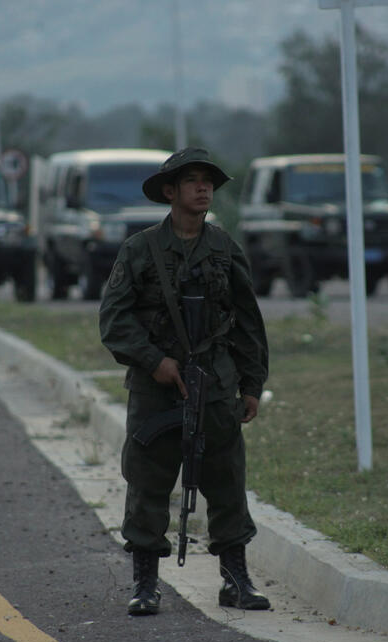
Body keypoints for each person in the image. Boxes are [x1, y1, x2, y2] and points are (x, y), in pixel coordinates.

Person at [99, 147, 271, 616]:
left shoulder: (224, 248)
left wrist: (251, 385)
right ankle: (145, 584)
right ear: (170, 191)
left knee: (226, 480)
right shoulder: (139, 250)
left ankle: (236, 579)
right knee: (148, 481)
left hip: (214, 383)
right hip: (157, 388)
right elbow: (114, 320)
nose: (203, 188)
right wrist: (155, 362)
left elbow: (247, 323)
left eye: (208, 181)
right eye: (192, 180)